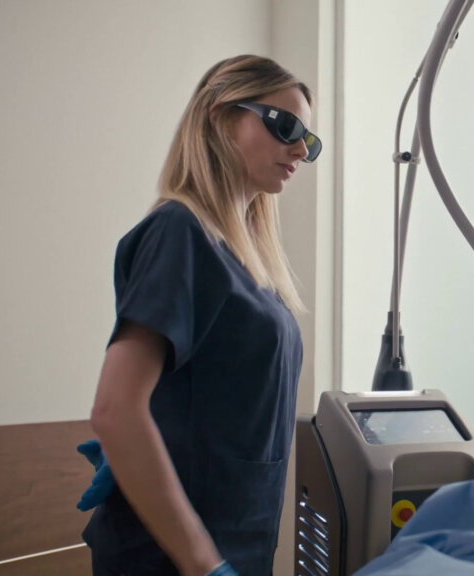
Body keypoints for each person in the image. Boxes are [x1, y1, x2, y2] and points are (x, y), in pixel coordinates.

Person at [77, 55, 322, 576]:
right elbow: (116, 409)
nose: (301, 149)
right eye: (286, 127)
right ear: (221, 117)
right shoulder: (181, 231)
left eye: (308, 139)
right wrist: (204, 564)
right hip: (173, 559)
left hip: (238, 539)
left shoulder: (248, 261)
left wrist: (158, 439)